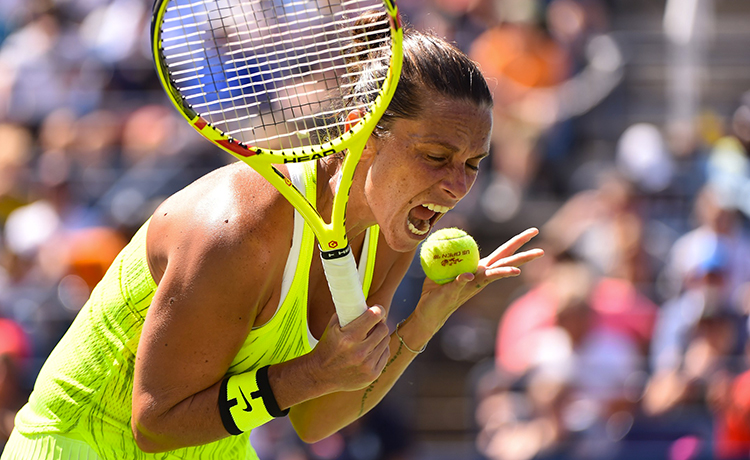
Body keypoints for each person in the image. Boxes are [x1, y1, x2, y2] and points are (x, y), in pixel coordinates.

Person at [0, 22, 544, 460]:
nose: (456, 186)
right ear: (362, 127)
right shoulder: (237, 230)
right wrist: (308, 373)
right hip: (76, 449)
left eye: (473, 164)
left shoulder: (397, 229)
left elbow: (317, 418)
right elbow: (155, 424)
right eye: (435, 156)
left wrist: (427, 315)